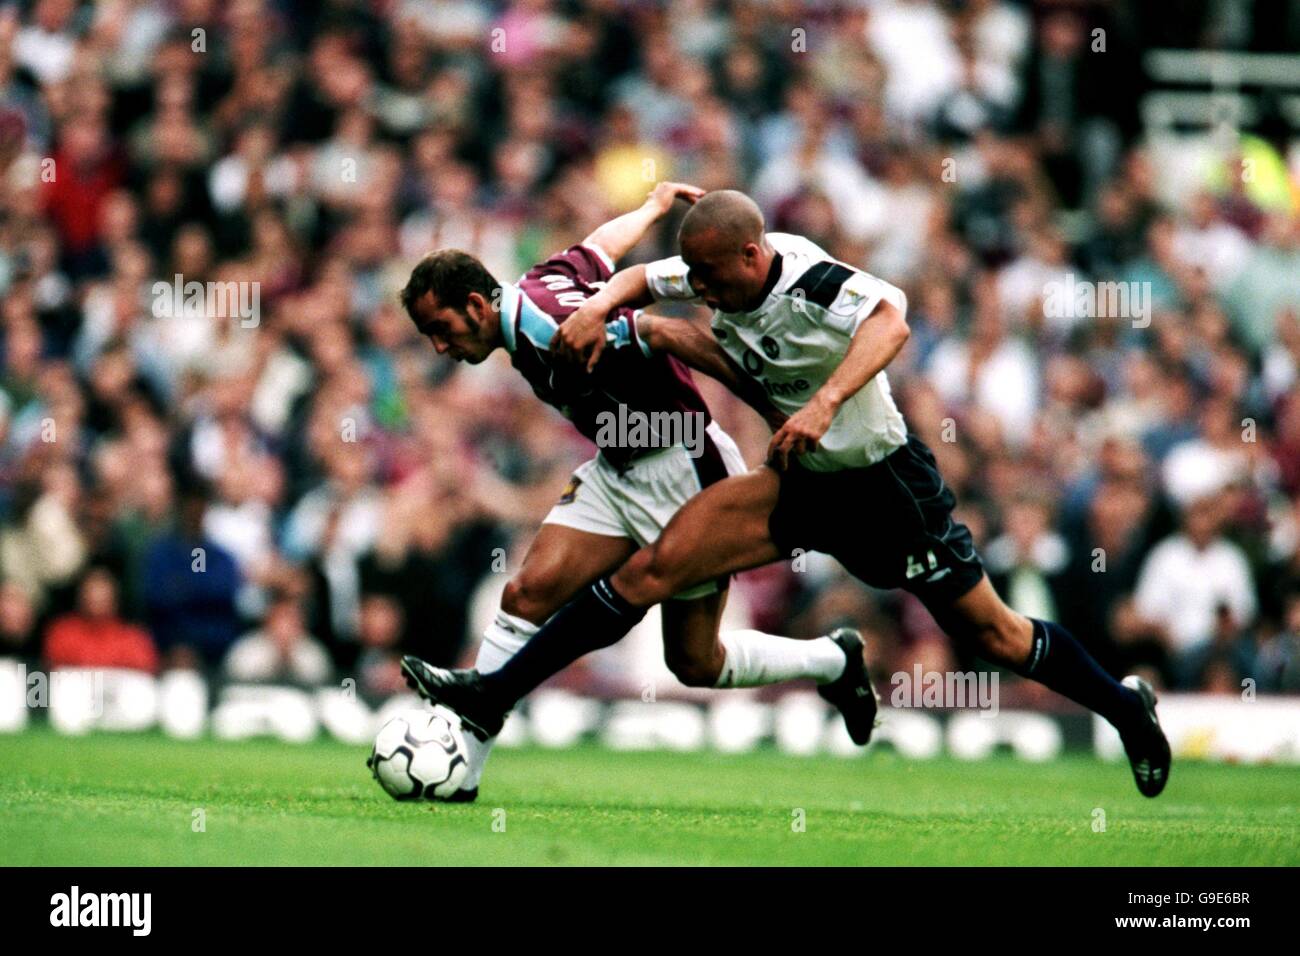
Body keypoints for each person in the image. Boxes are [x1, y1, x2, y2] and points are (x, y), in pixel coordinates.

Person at [401, 189, 1172, 798]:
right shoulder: (707, 271)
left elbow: (892, 324)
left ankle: (1121, 707)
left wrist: (824, 402)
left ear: (751, 251)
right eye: (692, 278)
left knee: (995, 638)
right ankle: (490, 695)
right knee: (645, 575)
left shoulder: (810, 279)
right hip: (797, 485)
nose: (699, 290)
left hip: (884, 488)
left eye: (709, 277)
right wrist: (614, 296)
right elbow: (640, 277)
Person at [398, 183, 880, 802]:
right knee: (525, 592)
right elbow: (599, 248)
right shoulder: (541, 280)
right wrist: (654, 206)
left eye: (440, 329)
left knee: (694, 662)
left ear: (475, 304)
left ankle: (833, 661)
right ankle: (465, 767)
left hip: (683, 466)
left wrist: (777, 407)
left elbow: (667, 333)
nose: (440, 347)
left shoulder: (553, 330)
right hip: (619, 460)